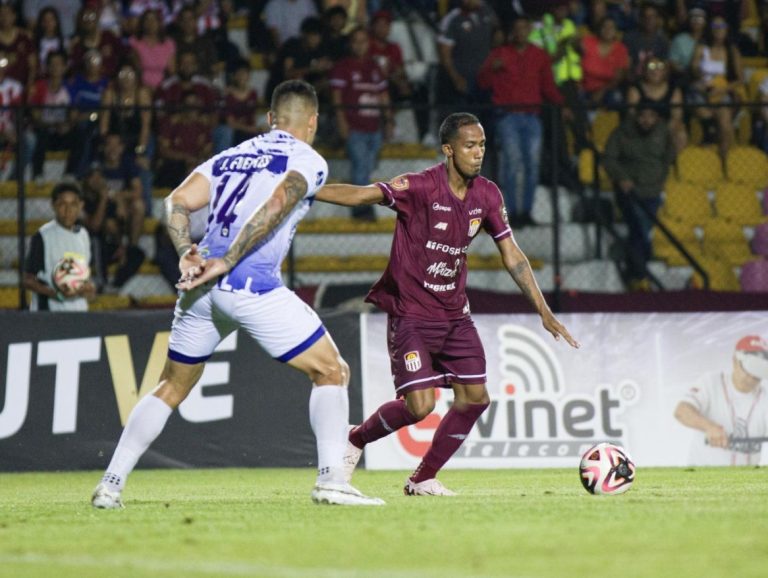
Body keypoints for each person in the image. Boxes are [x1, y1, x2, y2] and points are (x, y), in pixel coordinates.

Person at [91, 79, 385, 509]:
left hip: (200, 287)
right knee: (331, 371)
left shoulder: (230, 156)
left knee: (170, 385)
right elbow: (279, 203)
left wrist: (185, 252)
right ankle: (331, 480)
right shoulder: (308, 159)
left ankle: (110, 485)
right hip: (249, 284)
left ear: (269, 120)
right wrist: (229, 259)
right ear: (314, 122)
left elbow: (175, 201)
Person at [314, 112, 579, 496]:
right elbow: (361, 194)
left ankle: (422, 478)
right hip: (412, 316)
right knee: (419, 406)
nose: (478, 153)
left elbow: (514, 256)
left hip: (456, 316)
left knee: (476, 398)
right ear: (448, 149)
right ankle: (356, 438)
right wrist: (306, 189)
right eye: (470, 146)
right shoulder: (420, 187)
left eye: (483, 145)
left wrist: (544, 311)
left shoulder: (488, 194)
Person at [477, 16, 564, 228]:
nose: (521, 32)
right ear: (512, 32)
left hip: (532, 116)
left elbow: (548, 86)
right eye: (517, 28)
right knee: (512, 164)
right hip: (507, 116)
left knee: (532, 165)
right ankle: (512, 212)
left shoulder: (539, 55)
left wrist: (563, 105)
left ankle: (525, 211)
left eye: (525, 28)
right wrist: (492, 68)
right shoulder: (500, 53)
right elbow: (482, 82)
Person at [602, 102, 675, 290]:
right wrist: (622, 178)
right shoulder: (622, 132)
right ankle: (640, 273)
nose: (646, 120)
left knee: (641, 231)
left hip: (653, 190)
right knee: (638, 229)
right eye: (643, 116)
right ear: (637, 116)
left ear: (657, 118)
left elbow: (669, 155)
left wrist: (660, 176)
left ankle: (636, 273)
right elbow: (609, 158)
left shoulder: (663, 132)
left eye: (651, 116)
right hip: (630, 191)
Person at [674, 335, 768, 466]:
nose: (752, 377)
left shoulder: (764, 396)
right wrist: (709, 427)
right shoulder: (711, 382)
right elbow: (681, 411)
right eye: (749, 369)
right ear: (735, 361)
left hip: (744, 481)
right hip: (703, 478)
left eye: (758, 371)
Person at [330, 27, 392, 221]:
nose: (360, 45)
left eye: (363, 41)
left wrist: (388, 120)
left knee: (368, 165)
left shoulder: (374, 67)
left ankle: (362, 204)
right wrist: (341, 122)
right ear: (350, 44)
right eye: (356, 41)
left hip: (374, 127)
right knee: (360, 165)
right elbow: (336, 97)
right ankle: (360, 209)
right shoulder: (342, 67)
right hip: (354, 127)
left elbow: (383, 96)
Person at [22, 182, 96, 311]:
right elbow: (28, 280)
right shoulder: (43, 236)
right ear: (53, 205)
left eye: (73, 204)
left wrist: (88, 288)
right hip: (49, 313)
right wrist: (56, 294)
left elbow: (85, 274)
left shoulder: (83, 235)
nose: (68, 210)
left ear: (81, 206)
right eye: (62, 204)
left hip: (79, 312)